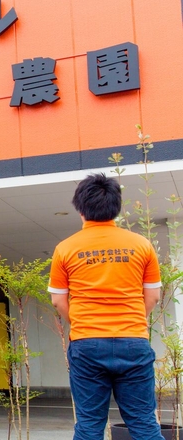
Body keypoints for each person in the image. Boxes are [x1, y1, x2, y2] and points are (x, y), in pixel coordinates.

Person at [48, 173, 164, 440]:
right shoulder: (141, 245)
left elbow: (58, 300)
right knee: (144, 422)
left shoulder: (65, 249)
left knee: (89, 425)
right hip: (133, 340)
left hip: (87, 343)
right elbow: (153, 296)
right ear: (116, 207)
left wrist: (79, 323)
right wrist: (134, 320)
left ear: (80, 209)